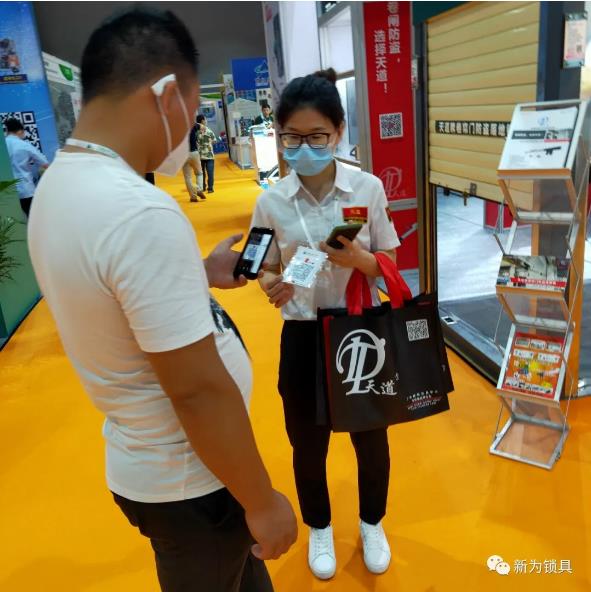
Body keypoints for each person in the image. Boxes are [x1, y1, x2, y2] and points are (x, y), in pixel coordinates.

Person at [27, 8, 297, 592]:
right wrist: (262, 500)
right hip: (193, 483)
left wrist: (194, 274)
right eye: (193, 111)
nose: (189, 128)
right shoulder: (138, 211)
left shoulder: (60, 185)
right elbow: (197, 391)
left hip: (151, 464)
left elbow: (107, 291)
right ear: (168, 96)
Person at [250, 68, 400, 581]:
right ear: (280, 137)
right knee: (307, 444)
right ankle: (319, 526)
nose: (304, 147)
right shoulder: (270, 200)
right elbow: (264, 265)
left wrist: (358, 259)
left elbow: (390, 264)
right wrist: (269, 282)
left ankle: (372, 522)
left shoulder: (367, 187)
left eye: (317, 136)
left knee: (371, 439)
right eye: (292, 137)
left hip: (359, 331)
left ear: (338, 131)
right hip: (302, 335)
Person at [4, 118, 48, 218]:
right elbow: (45, 163)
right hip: (25, 190)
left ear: (7, 131)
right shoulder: (24, 145)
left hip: (6, 192)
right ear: (20, 131)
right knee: (34, 219)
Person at [183, 119, 207, 201]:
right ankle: (199, 189)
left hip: (182, 155)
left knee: (187, 177)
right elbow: (203, 127)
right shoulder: (192, 124)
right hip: (194, 152)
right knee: (199, 173)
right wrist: (200, 132)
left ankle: (193, 197)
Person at [196, 113, 216, 193]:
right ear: (202, 121)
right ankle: (210, 188)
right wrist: (209, 143)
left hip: (200, 155)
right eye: (205, 119)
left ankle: (203, 187)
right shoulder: (209, 131)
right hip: (209, 155)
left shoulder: (196, 132)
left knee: (201, 173)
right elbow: (214, 140)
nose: (206, 121)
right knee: (210, 172)